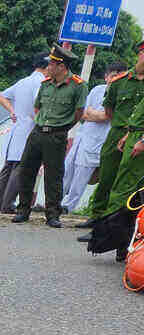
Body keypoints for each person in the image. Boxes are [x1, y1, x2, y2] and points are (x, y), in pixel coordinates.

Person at [10, 45, 86, 228]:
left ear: (61, 66)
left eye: (51, 64)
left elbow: (79, 112)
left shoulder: (78, 86)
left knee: (54, 176)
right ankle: (23, 210)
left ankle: (52, 214)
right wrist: (41, 122)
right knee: (26, 171)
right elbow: (37, 108)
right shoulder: (45, 84)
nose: (48, 67)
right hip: (37, 133)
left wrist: (62, 127)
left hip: (57, 135)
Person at [81, 41, 144, 226]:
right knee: (107, 176)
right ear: (140, 54)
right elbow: (109, 111)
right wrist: (123, 127)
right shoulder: (119, 81)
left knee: (129, 182)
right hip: (117, 133)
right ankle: (97, 217)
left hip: (138, 136)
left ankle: (121, 222)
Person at [0, 56, 48, 213]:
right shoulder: (40, 83)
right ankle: (7, 204)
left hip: (17, 127)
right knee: (21, 167)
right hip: (29, 128)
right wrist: (39, 119)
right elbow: (38, 104)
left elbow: (1, 96)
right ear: (47, 67)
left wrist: (12, 111)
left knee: (8, 167)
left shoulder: (23, 81)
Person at [63, 65, 123, 213]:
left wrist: (94, 114)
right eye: (113, 76)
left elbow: (106, 116)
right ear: (106, 76)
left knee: (82, 177)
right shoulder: (97, 90)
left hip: (100, 142)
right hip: (83, 137)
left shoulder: (121, 94)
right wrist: (96, 115)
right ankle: (53, 203)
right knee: (67, 170)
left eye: (119, 76)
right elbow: (83, 113)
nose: (115, 79)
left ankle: (67, 207)